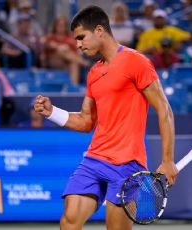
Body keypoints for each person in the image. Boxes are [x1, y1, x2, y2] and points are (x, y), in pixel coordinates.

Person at [34, 6, 177, 229]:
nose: (78, 45)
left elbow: (164, 110)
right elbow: (85, 121)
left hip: (127, 165)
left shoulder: (136, 62)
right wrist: (52, 112)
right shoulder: (93, 73)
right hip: (94, 159)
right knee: (69, 221)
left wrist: (167, 160)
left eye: (81, 37)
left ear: (99, 30)